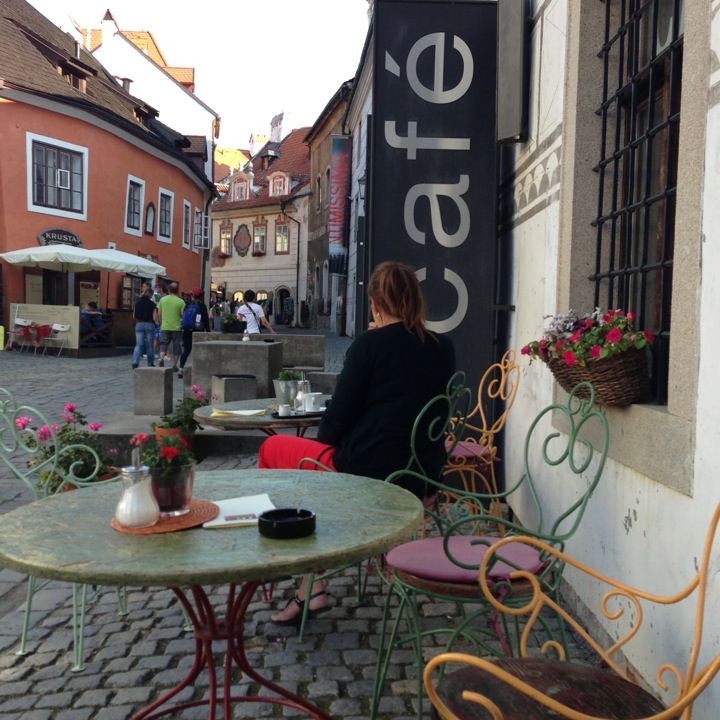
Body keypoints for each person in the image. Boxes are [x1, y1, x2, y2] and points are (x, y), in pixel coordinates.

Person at [258, 261, 455, 624]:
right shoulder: (443, 347)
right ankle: (315, 574)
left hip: (369, 471)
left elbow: (337, 421)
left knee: (272, 449)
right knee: (312, 465)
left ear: (375, 304)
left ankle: (303, 575)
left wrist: (371, 343)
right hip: (423, 474)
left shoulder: (369, 345)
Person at [178, 288, 210, 379]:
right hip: (198, 331)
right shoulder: (202, 306)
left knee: (186, 351)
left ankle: (181, 368)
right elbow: (205, 320)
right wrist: (208, 332)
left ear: (193, 296)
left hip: (187, 330)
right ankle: (198, 370)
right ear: (201, 296)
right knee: (198, 351)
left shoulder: (187, 305)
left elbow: (183, 316)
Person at [157, 282, 185, 371]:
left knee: (163, 344)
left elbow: (159, 313)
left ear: (168, 290)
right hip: (176, 327)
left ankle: (161, 359)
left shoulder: (162, 300)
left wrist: (160, 322)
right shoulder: (181, 301)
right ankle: (174, 365)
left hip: (165, 326)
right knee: (176, 346)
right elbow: (182, 315)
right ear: (177, 291)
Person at [131, 288, 158, 368]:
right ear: (150, 295)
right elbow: (154, 317)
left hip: (139, 324)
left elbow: (134, 316)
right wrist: (157, 324)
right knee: (149, 345)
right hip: (150, 324)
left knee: (138, 345)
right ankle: (150, 363)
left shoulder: (137, 303)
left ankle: (135, 361)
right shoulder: (153, 304)